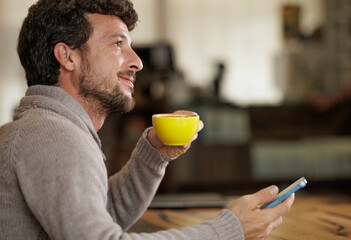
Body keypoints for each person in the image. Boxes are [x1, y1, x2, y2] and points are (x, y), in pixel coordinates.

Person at [0, 0, 294, 239]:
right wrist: (230, 229)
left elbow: (98, 217)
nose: (137, 62)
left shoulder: (44, 128)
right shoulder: (53, 136)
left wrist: (153, 154)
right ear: (67, 57)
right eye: (117, 44)